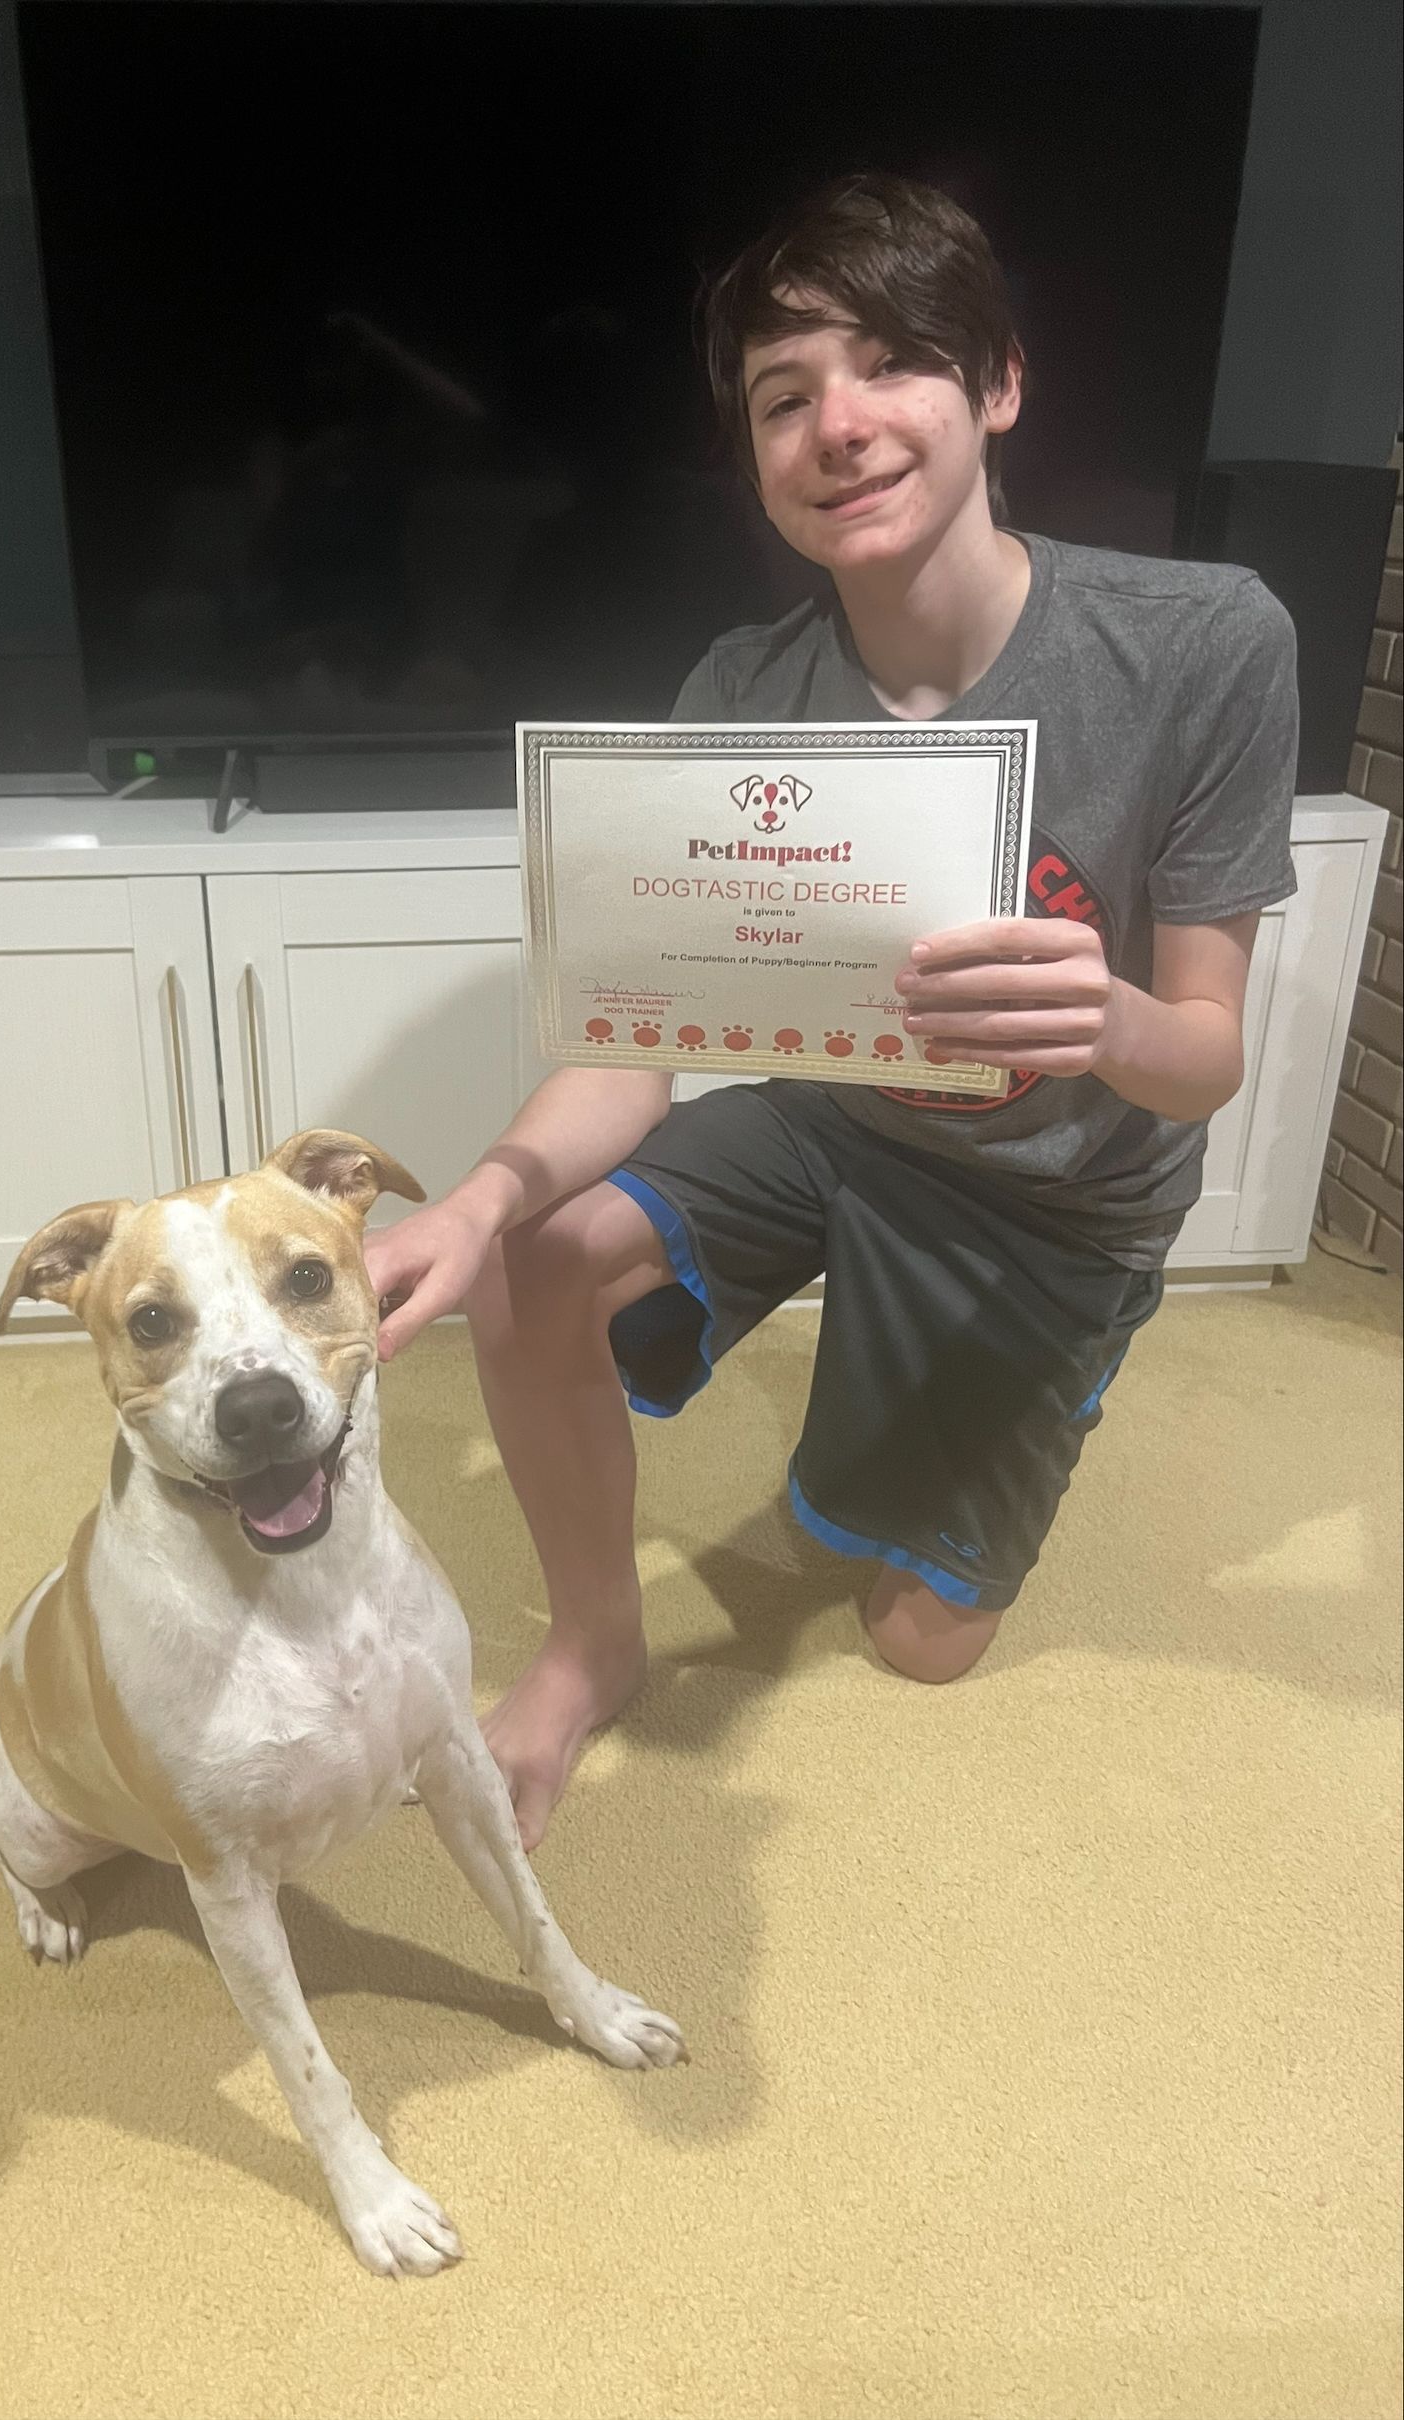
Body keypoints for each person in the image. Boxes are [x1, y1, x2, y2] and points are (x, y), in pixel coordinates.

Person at [363, 174, 1299, 1852]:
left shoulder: (1202, 644)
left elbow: (1208, 1060)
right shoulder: (741, 693)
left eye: (891, 367)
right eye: (784, 396)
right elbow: (633, 1038)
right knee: (534, 1255)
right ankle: (592, 1649)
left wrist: (1103, 1020)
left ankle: (995, 1400)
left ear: (998, 385)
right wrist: (486, 1193)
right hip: (834, 1116)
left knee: (918, 1646)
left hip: (1066, 1198)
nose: (837, 426)